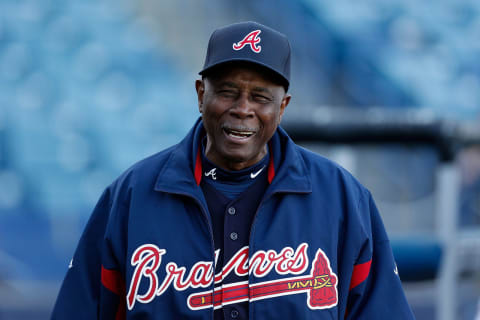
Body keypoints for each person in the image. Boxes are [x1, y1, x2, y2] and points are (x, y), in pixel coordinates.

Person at [51, 21, 415, 319]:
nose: (243, 109)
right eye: (227, 92)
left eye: (260, 97)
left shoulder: (342, 198)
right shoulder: (131, 196)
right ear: (200, 95)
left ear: (282, 107)